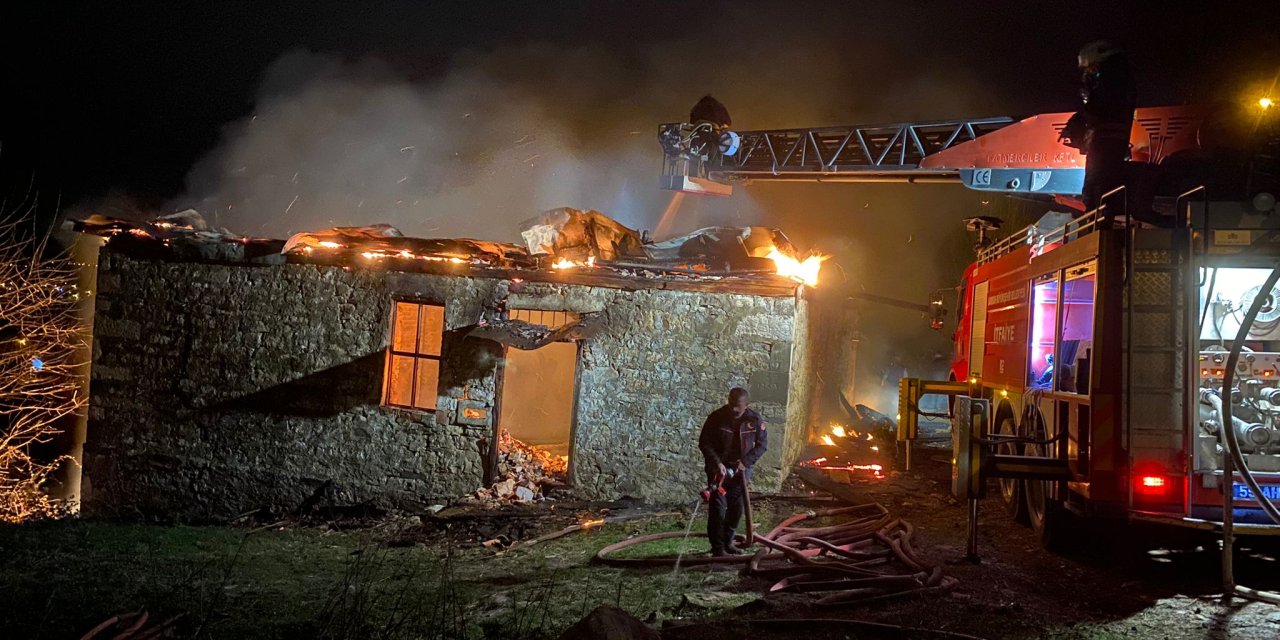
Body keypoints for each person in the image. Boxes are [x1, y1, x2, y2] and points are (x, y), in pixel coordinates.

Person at [1059, 41, 1136, 213]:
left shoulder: (1111, 77)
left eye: (1090, 66)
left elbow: (1099, 108)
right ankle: (1099, 219)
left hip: (1104, 140)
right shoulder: (1121, 75)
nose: (1088, 71)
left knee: (1095, 187)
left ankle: (1097, 223)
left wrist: (1083, 113)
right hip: (1112, 139)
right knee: (1100, 187)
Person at [698, 387, 767, 556]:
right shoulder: (716, 418)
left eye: (737, 406)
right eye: (731, 404)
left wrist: (745, 462)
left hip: (740, 473)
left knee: (737, 508)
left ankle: (728, 542)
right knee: (718, 508)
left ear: (746, 405)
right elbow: (705, 443)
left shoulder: (755, 420)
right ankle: (717, 548)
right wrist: (717, 463)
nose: (733, 409)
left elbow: (762, 446)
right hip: (719, 472)